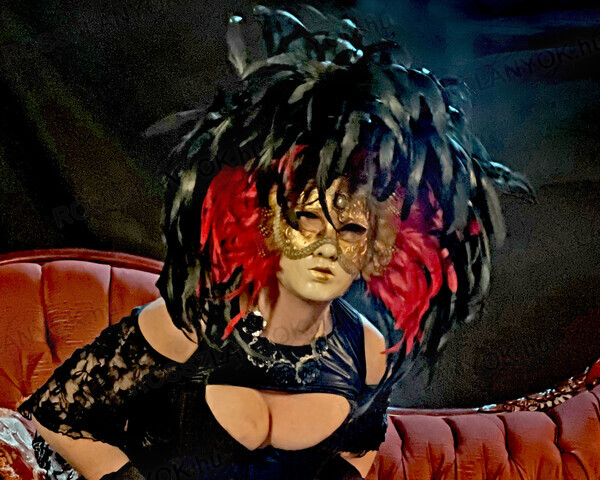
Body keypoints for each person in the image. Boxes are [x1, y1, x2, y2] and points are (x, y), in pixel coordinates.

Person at [18, 6, 533, 480]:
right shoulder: (193, 324)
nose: (328, 247)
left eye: (352, 229)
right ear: (263, 222)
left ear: (381, 248)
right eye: (308, 219)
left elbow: (354, 460)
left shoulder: (369, 352)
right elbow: (54, 419)